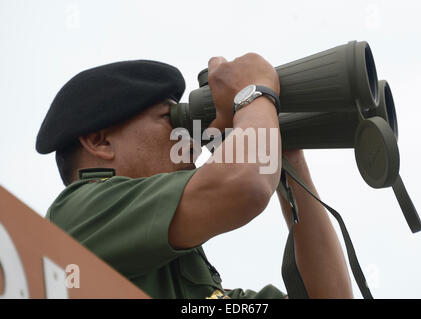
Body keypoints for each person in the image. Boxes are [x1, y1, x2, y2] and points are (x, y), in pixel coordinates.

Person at [36, 54, 353, 299]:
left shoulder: (178, 268)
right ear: (100, 142)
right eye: (170, 118)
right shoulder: (78, 217)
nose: (189, 135)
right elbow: (245, 186)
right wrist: (253, 94)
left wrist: (285, 151)